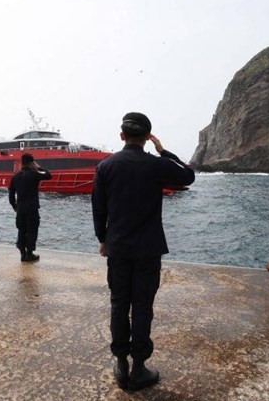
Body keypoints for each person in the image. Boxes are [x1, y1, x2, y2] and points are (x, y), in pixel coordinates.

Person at [91, 112, 195, 391]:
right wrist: (163, 151)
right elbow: (189, 175)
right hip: (148, 248)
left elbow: (98, 208)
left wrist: (103, 238)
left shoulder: (106, 166)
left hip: (118, 248)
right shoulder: (156, 165)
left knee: (119, 303)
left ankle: (121, 364)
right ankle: (139, 368)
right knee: (143, 307)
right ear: (147, 137)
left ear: (122, 135)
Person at [8, 153, 52, 262]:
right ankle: (29, 254)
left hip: (20, 208)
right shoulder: (35, 174)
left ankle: (22, 254)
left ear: (22, 162)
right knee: (32, 230)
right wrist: (38, 167)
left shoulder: (15, 176)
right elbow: (48, 175)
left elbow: (11, 194)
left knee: (21, 230)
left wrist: (14, 206)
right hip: (32, 208)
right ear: (31, 162)